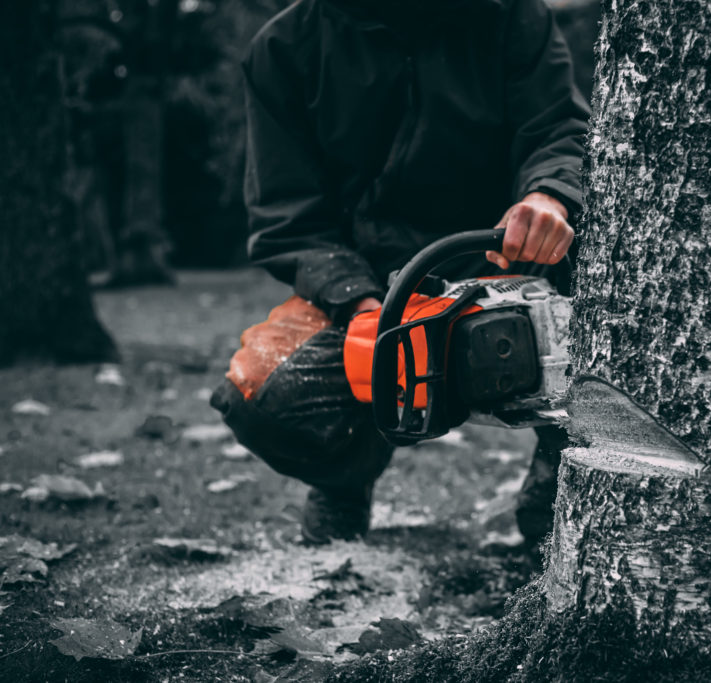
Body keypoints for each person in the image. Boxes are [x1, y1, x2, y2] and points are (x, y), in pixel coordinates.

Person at [211, 0, 589, 545]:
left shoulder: (510, 16)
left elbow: (557, 126)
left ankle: (559, 483)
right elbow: (288, 219)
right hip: (369, 284)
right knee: (264, 396)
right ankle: (346, 477)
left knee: (608, 332)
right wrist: (364, 307)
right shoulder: (283, 48)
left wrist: (548, 195)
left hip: (507, 265)